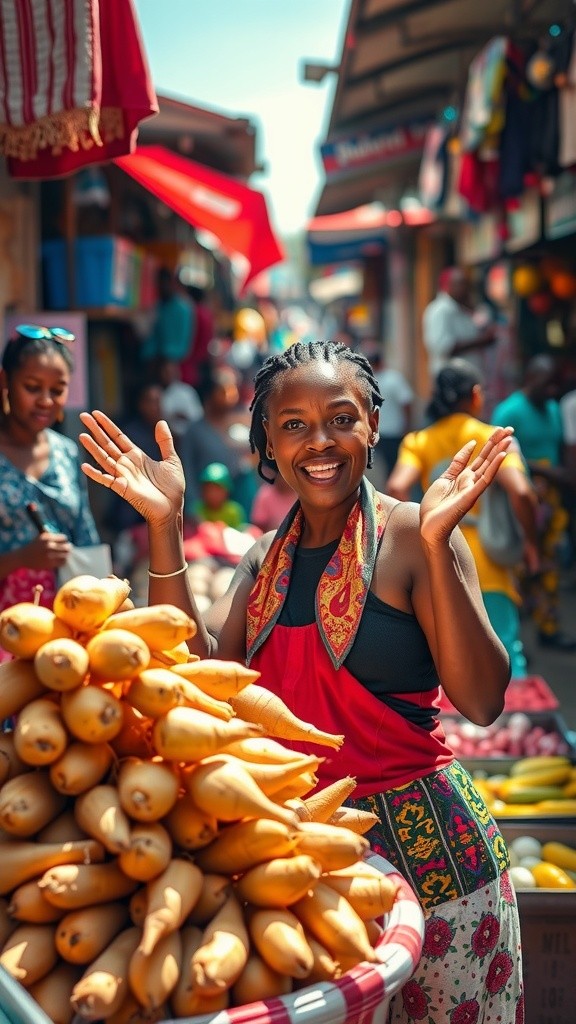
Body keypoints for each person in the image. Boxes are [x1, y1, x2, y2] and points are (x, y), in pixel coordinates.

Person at [79, 339, 523, 1023]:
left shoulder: (411, 534)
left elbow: (484, 700)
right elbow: (192, 677)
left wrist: (440, 547)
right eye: (294, 425)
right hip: (304, 873)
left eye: (342, 418)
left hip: (439, 867)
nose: (321, 441)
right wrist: (165, 525)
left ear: (373, 424)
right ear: (268, 443)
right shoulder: (261, 561)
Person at [386, 359, 539, 680]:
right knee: (504, 655)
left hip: (439, 564)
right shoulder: (496, 438)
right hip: (490, 563)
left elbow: (397, 487)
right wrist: (530, 543)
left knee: (447, 660)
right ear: (475, 395)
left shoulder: (419, 441)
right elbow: (522, 493)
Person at [0, 324, 100, 661]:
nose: (45, 401)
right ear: (4, 382)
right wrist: (22, 559)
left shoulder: (66, 451)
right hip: (7, 629)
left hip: (65, 624)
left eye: (57, 390)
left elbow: (84, 535)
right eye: (32, 387)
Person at [491, 354, 576, 650]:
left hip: (550, 500)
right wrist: (542, 470)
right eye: (546, 384)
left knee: (548, 562)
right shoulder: (509, 411)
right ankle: (514, 640)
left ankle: (548, 627)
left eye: (556, 385)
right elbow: (497, 453)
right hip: (521, 497)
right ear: (530, 379)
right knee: (521, 565)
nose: (552, 391)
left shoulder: (552, 409)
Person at [423, 266, 497, 382]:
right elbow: (444, 347)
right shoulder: (440, 310)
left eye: (467, 284)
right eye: (461, 284)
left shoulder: (462, 308)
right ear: (448, 286)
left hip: (468, 379)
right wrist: (481, 341)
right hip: (452, 381)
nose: (466, 288)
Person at [139, 267, 194, 375]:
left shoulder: (182, 309)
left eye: (164, 283)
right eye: (158, 284)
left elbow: (182, 345)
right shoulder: (157, 306)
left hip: (171, 364)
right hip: (153, 362)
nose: (161, 287)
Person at [193, 462, 246, 530]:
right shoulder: (197, 510)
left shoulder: (234, 511)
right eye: (208, 489)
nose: (212, 493)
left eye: (217, 489)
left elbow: (239, 535)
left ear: (227, 490)